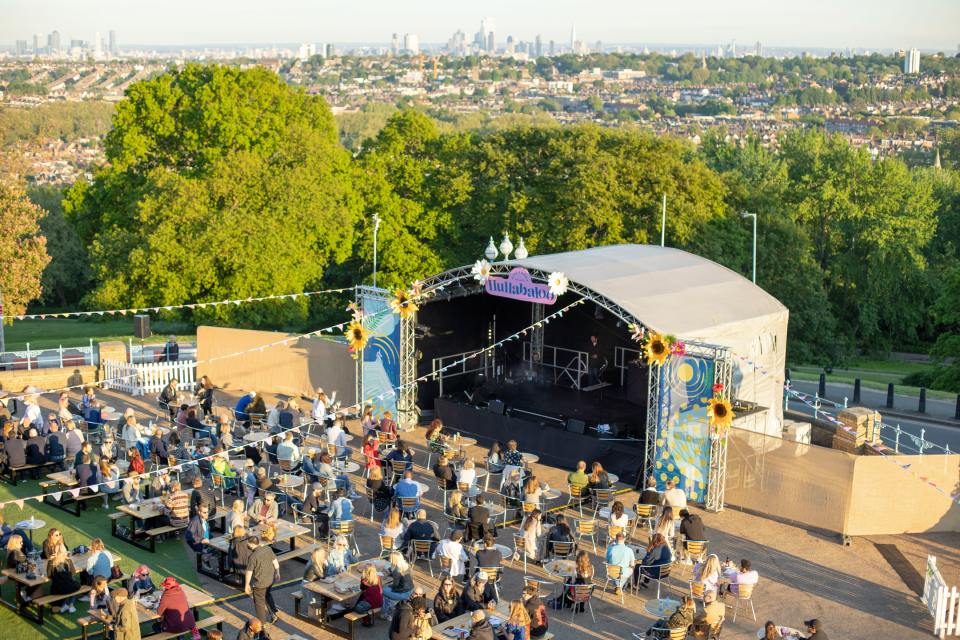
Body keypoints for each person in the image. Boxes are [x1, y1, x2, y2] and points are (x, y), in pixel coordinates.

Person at [244, 535, 280, 625]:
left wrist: (247, 584)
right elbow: (275, 561)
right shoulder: (268, 549)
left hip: (260, 584)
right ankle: (273, 614)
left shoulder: (253, 556)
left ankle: (261, 624)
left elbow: (249, 572)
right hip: (270, 580)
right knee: (267, 595)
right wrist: (277, 572)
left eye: (248, 543)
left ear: (252, 544)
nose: (247, 545)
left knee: (259, 603)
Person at [47, 546, 80, 613]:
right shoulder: (68, 561)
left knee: (62, 585)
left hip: (57, 590)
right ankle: (70, 605)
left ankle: (64, 605)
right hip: (70, 588)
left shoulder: (51, 562)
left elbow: (49, 576)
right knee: (75, 584)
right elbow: (73, 573)